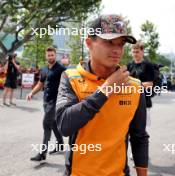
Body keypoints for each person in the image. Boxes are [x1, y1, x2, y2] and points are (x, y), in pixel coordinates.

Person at [56, 15, 149, 176]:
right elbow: (64, 125)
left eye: (121, 44)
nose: (117, 50)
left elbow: (139, 137)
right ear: (89, 43)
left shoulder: (134, 86)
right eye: (109, 42)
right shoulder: (71, 78)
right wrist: (106, 89)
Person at [26, 47, 65, 161]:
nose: (50, 57)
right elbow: (40, 84)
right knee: (52, 123)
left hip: (56, 101)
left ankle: (43, 153)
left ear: (55, 55)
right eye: (49, 55)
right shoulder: (44, 69)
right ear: (46, 56)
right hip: (46, 101)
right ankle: (60, 143)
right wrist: (31, 93)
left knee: (46, 124)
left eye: (52, 55)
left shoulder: (61, 69)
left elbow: (68, 83)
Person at [127, 41, 155, 127]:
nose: (135, 54)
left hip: (144, 101)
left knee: (141, 130)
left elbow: (150, 84)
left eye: (137, 52)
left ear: (142, 52)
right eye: (133, 52)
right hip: (130, 101)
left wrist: (135, 85)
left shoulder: (148, 65)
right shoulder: (129, 65)